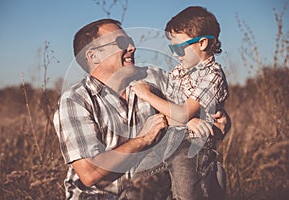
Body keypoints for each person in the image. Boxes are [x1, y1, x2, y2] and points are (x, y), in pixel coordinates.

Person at [53, 18, 229, 199]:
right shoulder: (75, 100)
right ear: (93, 56)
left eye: (130, 41)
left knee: (212, 174)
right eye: (121, 42)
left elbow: (190, 111)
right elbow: (90, 173)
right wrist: (143, 140)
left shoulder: (154, 77)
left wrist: (216, 122)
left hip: (154, 192)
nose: (132, 47)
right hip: (100, 196)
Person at [131, 6, 229, 200]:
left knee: (186, 193)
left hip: (192, 145)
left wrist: (148, 95)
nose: (175, 54)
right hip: (165, 141)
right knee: (138, 186)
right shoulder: (179, 72)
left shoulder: (212, 76)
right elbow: (168, 108)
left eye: (178, 47)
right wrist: (184, 118)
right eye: (172, 48)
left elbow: (183, 112)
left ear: (202, 43)